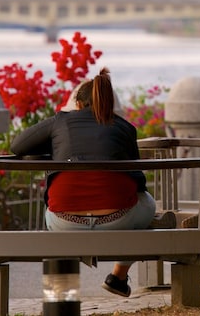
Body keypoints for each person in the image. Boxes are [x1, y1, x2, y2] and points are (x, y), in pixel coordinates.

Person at [10, 68, 157, 299]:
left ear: (77, 104)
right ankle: (118, 275)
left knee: (53, 211)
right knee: (147, 204)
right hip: (118, 220)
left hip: (64, 221)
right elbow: (137, 180)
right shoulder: (125, 128)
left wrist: (55, 146)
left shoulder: (61, 121)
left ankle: (60, 298)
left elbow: (17, 146)